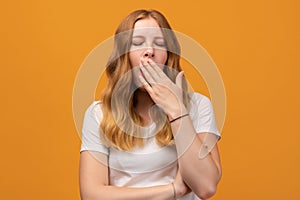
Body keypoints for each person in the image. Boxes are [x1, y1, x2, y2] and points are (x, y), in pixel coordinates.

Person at [79, 9, 222, 200]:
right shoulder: (99, 114)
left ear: (169, 55)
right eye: (137, 43)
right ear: (124, 56)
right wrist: (173, 190)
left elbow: (206, 187)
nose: (149, 52)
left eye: (159, 44)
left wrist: (176, 111)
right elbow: (92, 195)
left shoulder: (199, 106)